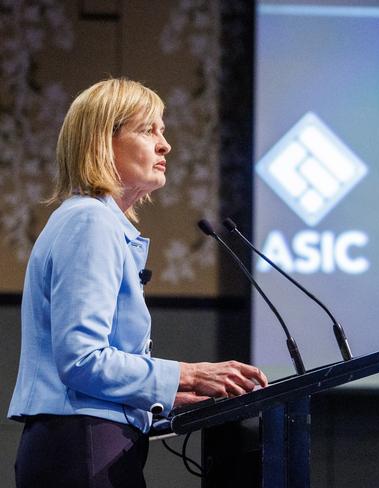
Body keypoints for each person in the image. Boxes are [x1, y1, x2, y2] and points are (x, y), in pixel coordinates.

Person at [8, 78, 268, 487]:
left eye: (162, 131)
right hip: (82, 448)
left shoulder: (95, 221)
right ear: (102, 142)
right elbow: (81, 359)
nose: (165, 145)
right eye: (148, 130)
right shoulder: (90, 221)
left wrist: (160, 394)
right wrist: (186, 374)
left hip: (84, 444)